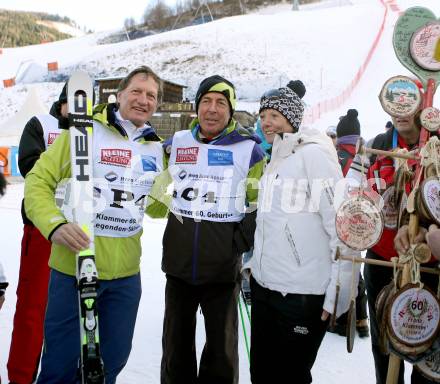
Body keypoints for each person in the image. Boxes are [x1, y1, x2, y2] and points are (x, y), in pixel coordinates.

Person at [24, 66, 165, 383]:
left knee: (108, 367)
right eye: (137, 92)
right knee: (59, 368)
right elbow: (37, 183)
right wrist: (55, 225)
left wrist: (174, 180)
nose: (143, 100)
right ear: (121, 94)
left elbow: (157, 207)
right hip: (73, 269)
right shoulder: (84, 133)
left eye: (151, 95)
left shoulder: (155, 148)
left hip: (125, 277)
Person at [147, 75, 265, 384]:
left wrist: (237, 241)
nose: (212, 109)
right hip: (179, 264)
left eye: (221, 103)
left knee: (221, 353)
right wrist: (160, 190)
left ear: (231, 110)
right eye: (206, 102)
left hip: (222, 270)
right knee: (175, 349)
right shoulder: (177, 143)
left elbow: (259, 205)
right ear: (196, 107)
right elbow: (155, 202)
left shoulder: (248, 150)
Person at [245, 85, 355, 384]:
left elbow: (344, 226)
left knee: (290, 376)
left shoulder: (314, 155)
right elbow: (273, 222)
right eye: (263, 115)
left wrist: (338, 293)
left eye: (275, 115)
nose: (266, 121)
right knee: (262, 375)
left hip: (302, 295)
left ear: (292, 118)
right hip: (266, 288)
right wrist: (253, 266)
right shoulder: (276, 159)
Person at [364, 112, 438, 384]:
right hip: (382, 260)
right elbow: (362, 195)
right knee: (383, 338)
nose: (401, 112)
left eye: (410, 105)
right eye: (396, 105)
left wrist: (428, 229)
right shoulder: (378, 145)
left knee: (423, 339)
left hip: (428, 263)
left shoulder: (437, 144)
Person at [7, 83, 68, 384]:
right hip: (42, 229)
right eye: (73, 103)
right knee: (33, 308)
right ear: (63, 101)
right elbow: (30, 166)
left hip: (82, 232)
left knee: (73, 315)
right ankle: (20, 376)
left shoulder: (96, 133)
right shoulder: (42, 125)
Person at [327, 109, 369, 338]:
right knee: (355, 266)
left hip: (337, 219)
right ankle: (361, 319)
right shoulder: (365, 156)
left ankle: (341, 320)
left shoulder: (336, 156)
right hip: (362, 221)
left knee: (339, 267)